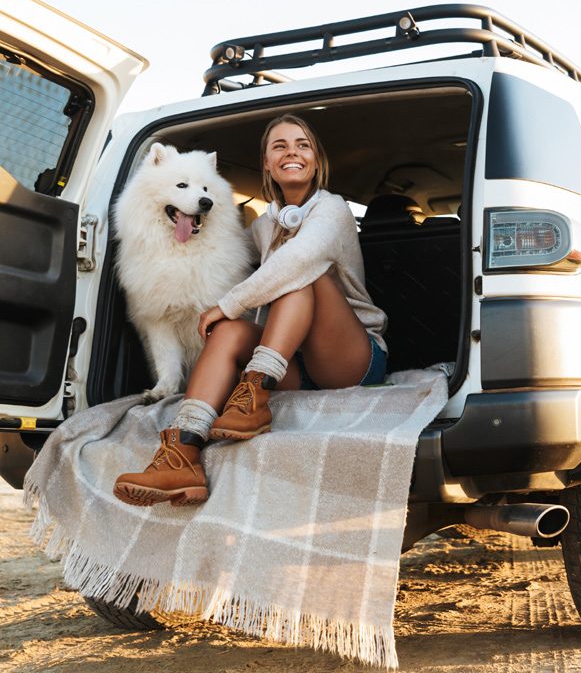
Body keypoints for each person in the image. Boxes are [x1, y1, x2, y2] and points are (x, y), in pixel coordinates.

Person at [113, 114, 388, 507]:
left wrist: (227, 303)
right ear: (267, 164)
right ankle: (181, 453)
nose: (291, 152)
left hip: (349, 359)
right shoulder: (265, 226)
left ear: (315, 159)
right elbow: (226, 247)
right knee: (227, 331)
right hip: (295, 367)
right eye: (280, 146)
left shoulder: (333, 210)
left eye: (302, 145)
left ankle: (252, 395)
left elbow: (297, 261)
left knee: (301, 275)